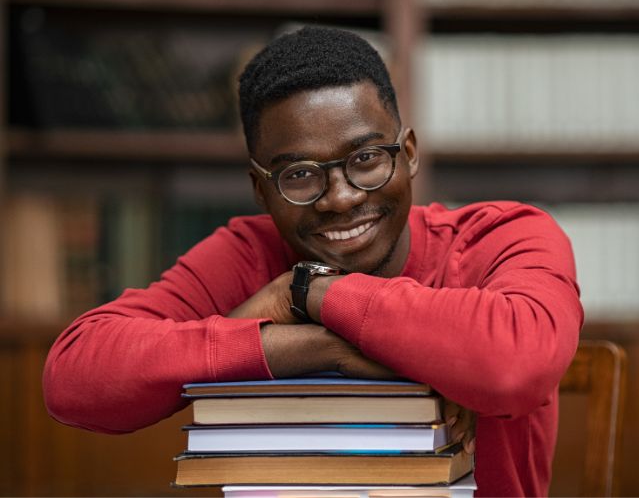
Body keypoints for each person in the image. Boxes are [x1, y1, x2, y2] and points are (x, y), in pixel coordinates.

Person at [43, 26, 583, 497]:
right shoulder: (248, 252)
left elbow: (517, 366)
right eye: (299, 175)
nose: (341, 197)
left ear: (410, 154)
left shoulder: (503, 237)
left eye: (367, 159)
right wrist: (326, 349)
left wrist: (308, 293)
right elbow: (76, 380)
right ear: (260, 189)